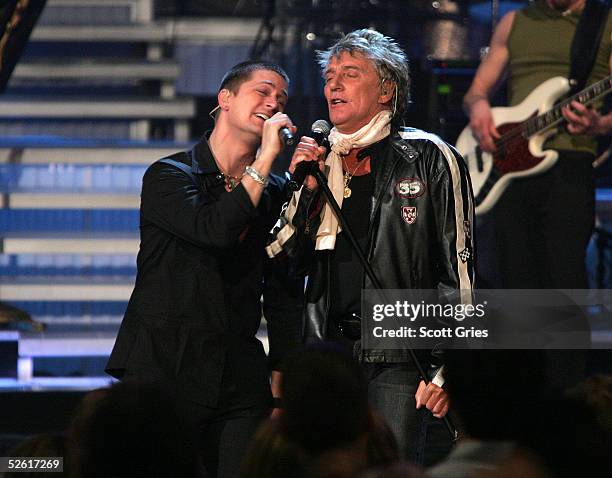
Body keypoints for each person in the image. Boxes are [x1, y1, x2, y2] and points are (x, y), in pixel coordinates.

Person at [270, 29, 475, 465]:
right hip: (329, 355)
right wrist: (307, 188)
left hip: (401, 356)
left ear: (387, 89)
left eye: (349, 74)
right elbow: (286, 256)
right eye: (329, 76)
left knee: (388, 469)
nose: (333, 85)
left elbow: (457, 272)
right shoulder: (319, 160)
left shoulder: (431, 157)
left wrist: (447, 367)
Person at [105, 60, 304, 478]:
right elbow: (213, 230)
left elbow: (284, 287)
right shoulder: (169, 176)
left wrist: (282, 374)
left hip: (238, 376)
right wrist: (266, 157)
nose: (273, 104)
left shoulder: (277, 191)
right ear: (225, 99)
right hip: (165, 369)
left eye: (282, 99)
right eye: (263, 92)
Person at [463, 0, 612, 289]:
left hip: (570, 160)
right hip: (507, 163)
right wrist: (479, 107)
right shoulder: (513, 22)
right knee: (515, 279)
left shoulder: (604, 21)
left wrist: (600, 124)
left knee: (564, 280)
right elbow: (475, 93)